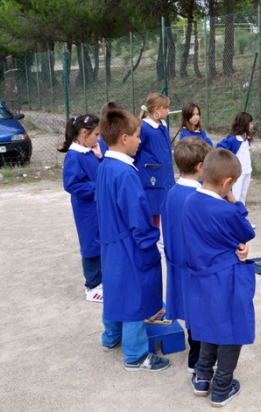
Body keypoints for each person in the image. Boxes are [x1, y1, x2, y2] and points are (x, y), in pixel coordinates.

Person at [96, 107, 169, 371]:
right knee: (134, 296)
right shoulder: (126, 173)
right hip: (129, 244)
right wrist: (151, 245)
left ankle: (111, 337)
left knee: (115, 289)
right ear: (125, 138)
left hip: (110, 241)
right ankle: (136, 355)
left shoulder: (105, 165)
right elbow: (138, 217)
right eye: (138, 136)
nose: (141, 141)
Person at [183, 148, 256, 407]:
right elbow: (246, 231)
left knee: (208, 323)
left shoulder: (189, 201)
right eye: (232, 184)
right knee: (232, 329)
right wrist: (234, 201)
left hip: (200, 276)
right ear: (227, 183)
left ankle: (202, 377)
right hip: (226, 277)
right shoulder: (226, 210)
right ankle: (222, 387)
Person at [160, 136, 212, 373]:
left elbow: (164, 230)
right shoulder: (200, 197)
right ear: (201, 166)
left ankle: (197, 358)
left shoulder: (171, 192)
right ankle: (199, 362)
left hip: (177, 263)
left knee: (193, 314)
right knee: (201, 315)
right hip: (196, 268)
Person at [58, 114, 103, 302]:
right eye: (97, 134)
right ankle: (91, 286)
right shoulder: (74, 155)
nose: (98, 139)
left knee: (101, 241)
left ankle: (100, 281)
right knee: (91, 244)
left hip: (98, 207)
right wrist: (97, 189)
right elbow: (71, 184)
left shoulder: (89, 152)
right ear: (84, 133)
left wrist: (100, 156)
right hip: (86, 210)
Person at [135, 93, 174, 228]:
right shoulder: (144, 127)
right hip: (151, 178)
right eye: (166, 107)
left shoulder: (162, 125)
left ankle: (160, 242)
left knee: (163, 211)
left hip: (165, 176)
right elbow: (135, 151)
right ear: (156, 109)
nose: (168, 110)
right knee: (152, 212)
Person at [216, 111, 254, 227]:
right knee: (235, 198)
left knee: (242, 196)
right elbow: (219, 148)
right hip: (237, 174)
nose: (252, 125)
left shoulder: (247, 138)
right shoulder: (233, 139)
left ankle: (242, 220)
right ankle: (233, 222)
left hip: (247, 171)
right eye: (250, 123)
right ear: (244, 124)